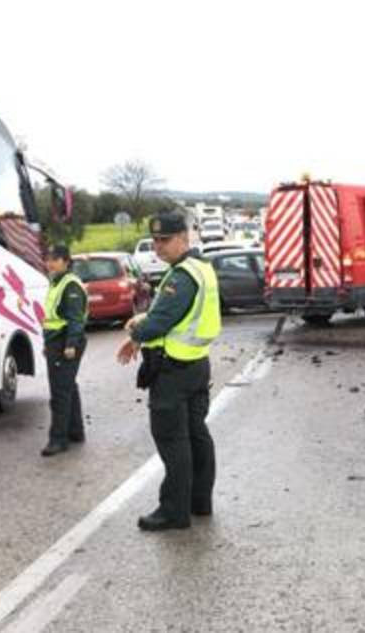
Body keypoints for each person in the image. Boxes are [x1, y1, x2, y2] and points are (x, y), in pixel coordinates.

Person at [117, 212, 222, 531]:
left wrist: (136, 335)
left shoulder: (181, 276)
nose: (159, 247)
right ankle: (199, 502)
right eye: (156, 241)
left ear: (184, 238)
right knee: (196, 434)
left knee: (172, 439)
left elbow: (162, 321)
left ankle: (174, 510)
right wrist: (145, 319)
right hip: (196, 364)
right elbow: (173, 315)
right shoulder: (201, 268)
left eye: (165, 240)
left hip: (173, 371)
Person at [41, 244, 89, 457]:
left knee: (59, 392)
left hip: (65, 342)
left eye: (55, 259)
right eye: (48, 258)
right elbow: (52, 318)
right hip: (55, 341)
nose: (50, 263)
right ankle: (76, 431)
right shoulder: (56, 282)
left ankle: (58, 440)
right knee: (68, 386)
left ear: (66, 261)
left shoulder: (70, 286)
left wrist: (70, 345)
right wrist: (47, 344)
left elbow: (75, 319)